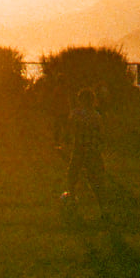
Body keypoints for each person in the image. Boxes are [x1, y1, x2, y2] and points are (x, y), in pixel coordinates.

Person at [62, 86, 107, 217]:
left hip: (80, 150)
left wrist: (66, 140)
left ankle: (71, 201)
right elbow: (101, 135)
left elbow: (69, 130)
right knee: (95, 181)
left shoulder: (76, 113)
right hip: (93, 151)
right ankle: (103, 208)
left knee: (72, 177)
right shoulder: (96, 116)